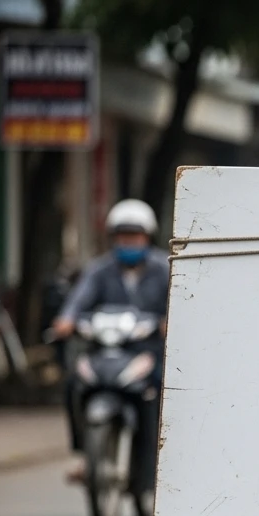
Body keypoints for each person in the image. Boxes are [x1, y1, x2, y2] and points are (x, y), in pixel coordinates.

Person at [51, 199, 170, 491]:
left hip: (147, 352)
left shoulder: (164, 268)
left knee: (160, 394)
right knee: (74, 384)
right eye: (123, 237)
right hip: (106, 351)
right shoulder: (100, 270)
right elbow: (78, 300)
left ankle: (156, 460)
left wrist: (169, 322)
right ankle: (87, 454)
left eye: (134, 236)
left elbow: (182, 300)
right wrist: (66, 320)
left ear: (147, 237)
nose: (128, 242)